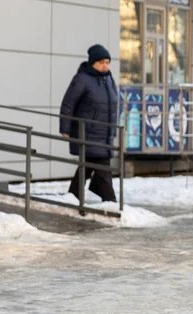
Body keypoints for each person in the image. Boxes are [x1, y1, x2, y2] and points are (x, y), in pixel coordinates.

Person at [59, 44, 119, 202]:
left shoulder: (109, 80)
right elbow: (68, 104)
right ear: (93, 63)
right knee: (102, 167)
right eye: (101, 62)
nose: (105, 65)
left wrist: (113, 131)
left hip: (104, 134)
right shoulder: (82, 79)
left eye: (107, 62)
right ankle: (111, 202)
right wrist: (65, 129)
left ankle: (73, 195)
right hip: (88, 132)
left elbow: (113, 107)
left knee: (87, 166)